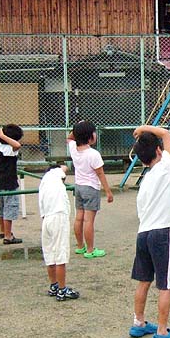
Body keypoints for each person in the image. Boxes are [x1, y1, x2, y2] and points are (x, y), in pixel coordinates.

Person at [130, 125, 170, 338]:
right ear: (158, 151)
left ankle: (139, 322)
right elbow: (165, 133)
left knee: (144, 280)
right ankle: (162, 331)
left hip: (143, 233)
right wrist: (142, 129)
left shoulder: (146, 181)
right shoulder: (166, 167)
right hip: (161, 233)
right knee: (165, 283)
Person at [67, 120, 114, 259]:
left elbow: (69, 138)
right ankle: (90, 249)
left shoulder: (73, 148)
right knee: (89, 221)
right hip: (91, 188)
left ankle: (80, 246)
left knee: (79, 218)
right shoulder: (93, 154)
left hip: (79, 186)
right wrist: (108, 191)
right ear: (90, 137)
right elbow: (100, 173)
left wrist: (78, 127)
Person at [39, 164, 80, 302]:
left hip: (47, 218)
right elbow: (64, 168)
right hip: (58, 216)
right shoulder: (55, 174)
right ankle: (62, 289)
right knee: (60, 253)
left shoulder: (43, 183)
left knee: (50, 253)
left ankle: (54, 285)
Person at [0, 124, 24, 245]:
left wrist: (1, 136)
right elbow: (17, 145)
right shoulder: (10, 150)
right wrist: (3, 135)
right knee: (9, 208)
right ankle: (8, 236)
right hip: (10, 182)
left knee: (2, 207)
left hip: (0, 180)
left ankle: (3, 230)